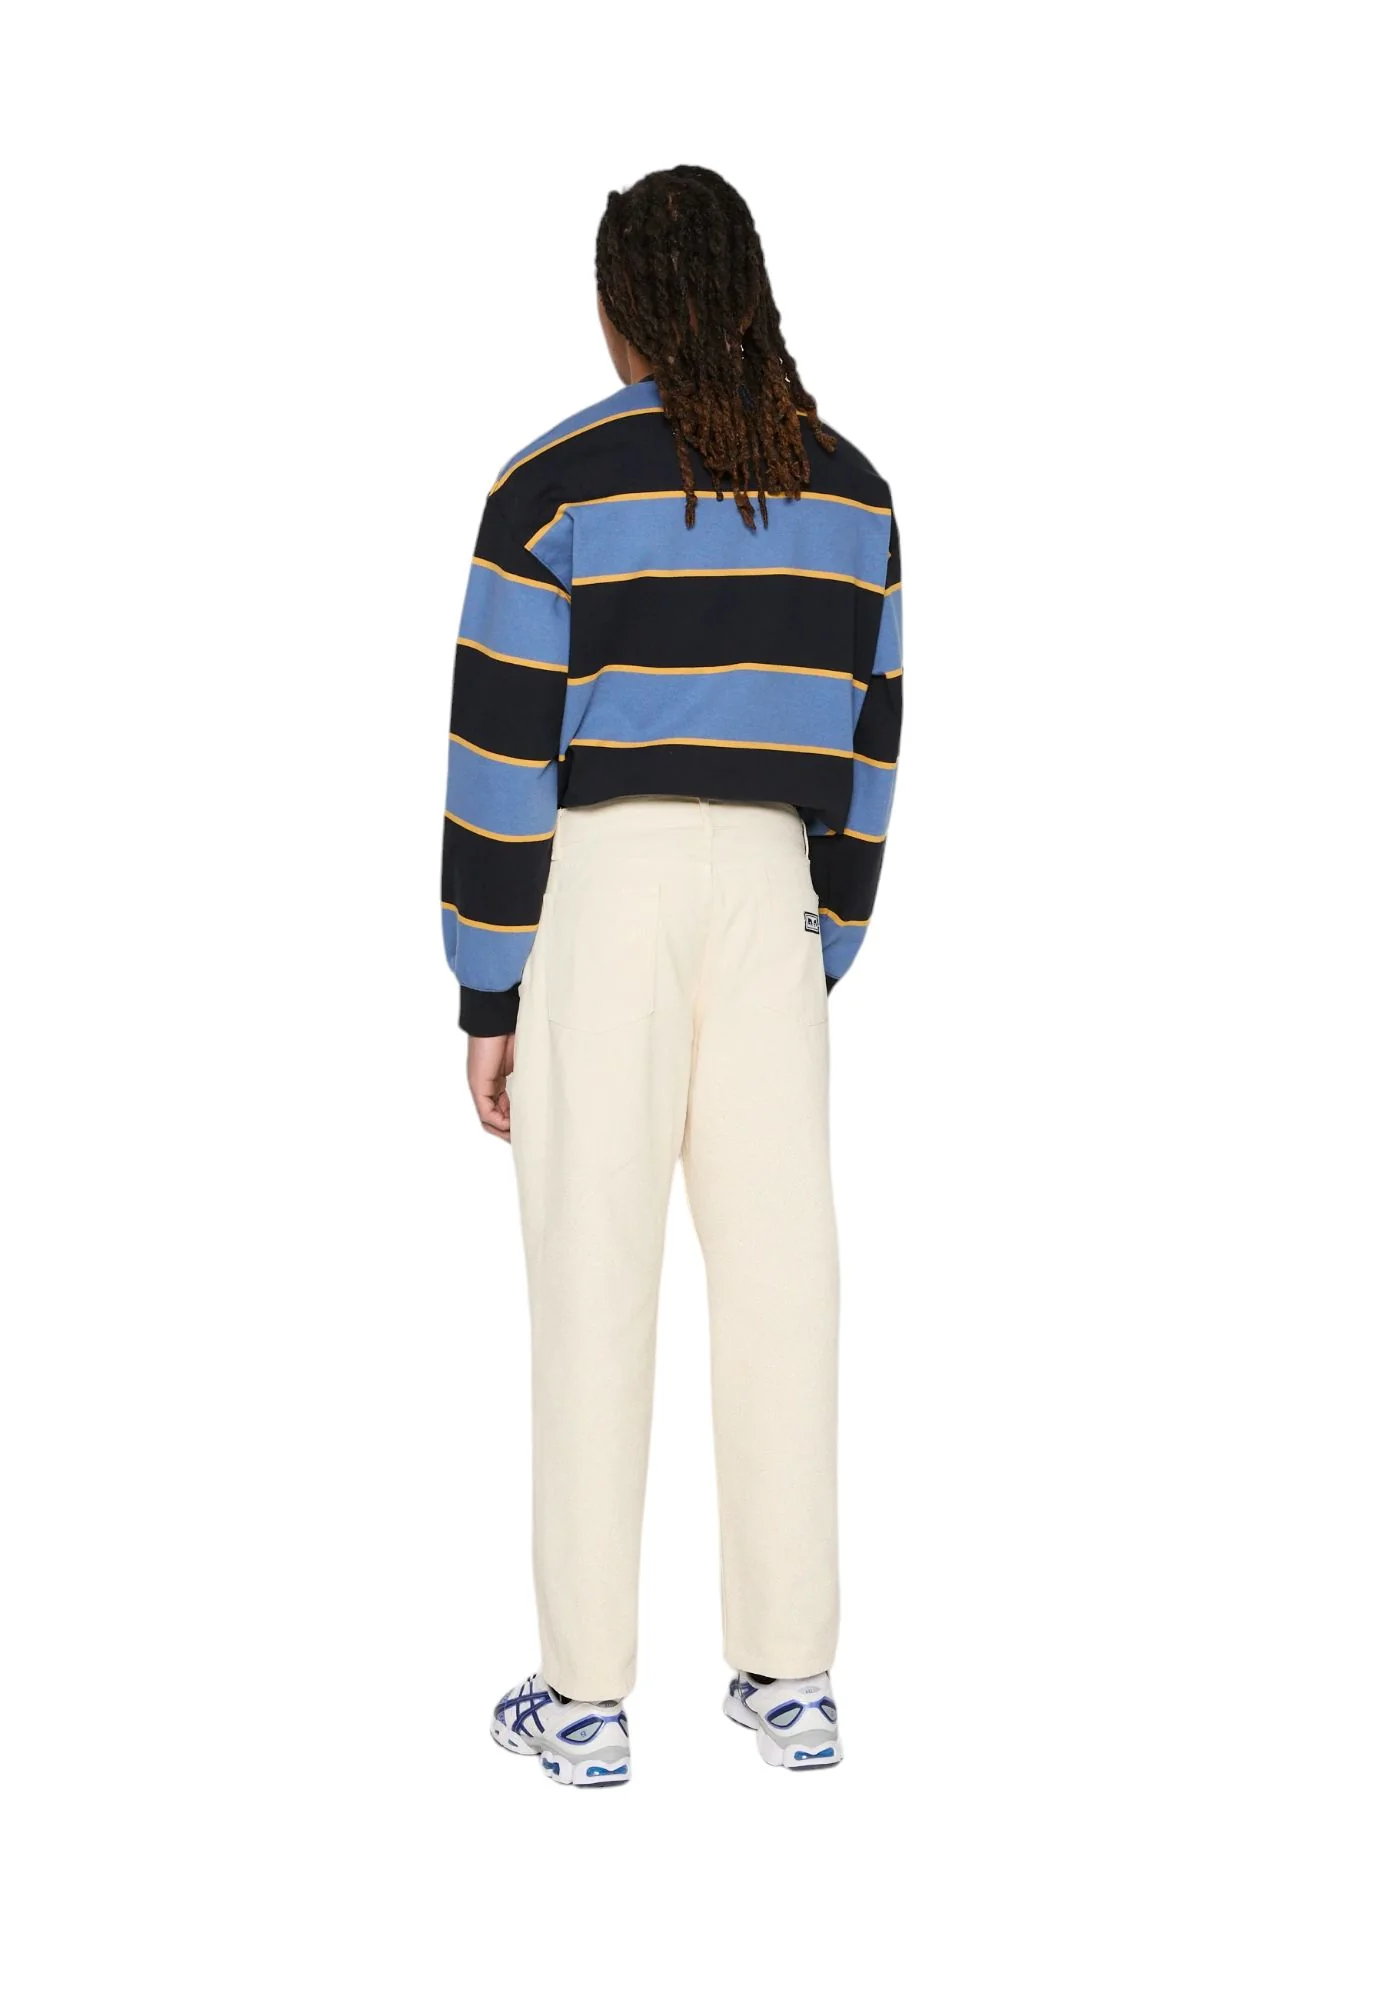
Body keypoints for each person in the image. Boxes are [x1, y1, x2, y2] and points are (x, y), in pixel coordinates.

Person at [441, 166, 902, 1786]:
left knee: (594, 1278)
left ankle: (586, 1702)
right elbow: (870, 754)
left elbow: (501, 749)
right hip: (772, 893)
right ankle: (792, 1676)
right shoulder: (851, 494)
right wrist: (818, 933)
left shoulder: (552, 487)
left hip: (603, 890)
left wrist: (488, 989)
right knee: (785, 1283)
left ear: (619, 305)